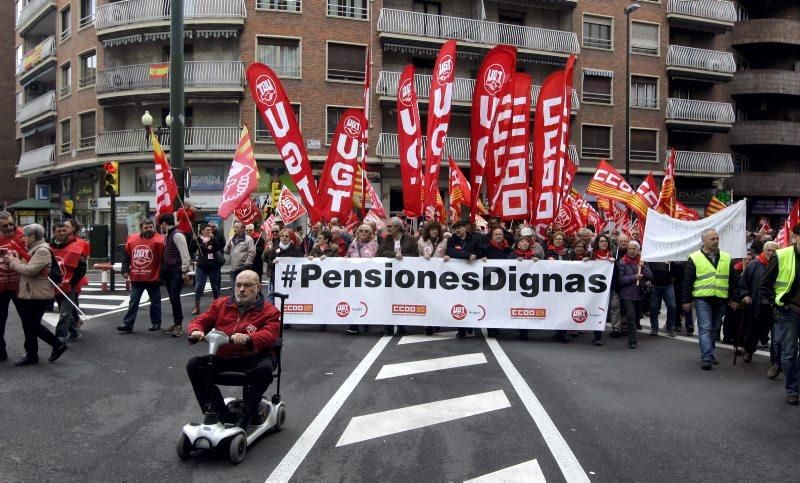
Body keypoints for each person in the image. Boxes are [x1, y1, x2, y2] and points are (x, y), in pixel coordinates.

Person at [186, 270, 281, 428]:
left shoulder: (269, 311)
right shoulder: (221, 304)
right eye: (238, 285)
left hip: (253, 356)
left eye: (247, 285)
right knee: (194, 365)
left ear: (258, 287)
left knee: (264, 368)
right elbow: (202, 320)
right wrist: (196, 330)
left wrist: (249, 338)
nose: (241, 289)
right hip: (224, 356)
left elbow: (270, 334)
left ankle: (248, 414)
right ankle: (218, 412)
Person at [3, 224, 66, 366]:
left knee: (32, 325)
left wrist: (12, 261)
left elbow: (30, 270)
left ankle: (57, 344)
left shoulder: (42, 250)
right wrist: (16, 257)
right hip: (32, 292)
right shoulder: (35, 248)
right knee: (29, 324)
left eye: (25, 235)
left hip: (38, 293)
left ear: (32, 236)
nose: (22, 238)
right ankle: (32, 355)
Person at [683, 228, 737, 370]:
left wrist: (734, 298)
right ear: (704, 240)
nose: (716, 241)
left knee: (714, 329)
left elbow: (733, 279)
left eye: (717, 238)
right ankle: (706, 357)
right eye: (712, 239)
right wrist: (686, 300)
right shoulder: (694, 257)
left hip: (720, 299)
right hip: (703, 298)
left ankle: (710, 352)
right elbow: (687, 281)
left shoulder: (726, 257)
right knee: (705, 328)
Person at [761, 225, 800, 405]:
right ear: (795, 237)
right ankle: (792, 389)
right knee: (789, 352)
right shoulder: (782, 255)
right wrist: (778, 303)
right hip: (789, 311)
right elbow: (765, 284)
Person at [119, 219, 165, 332]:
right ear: (141, 228)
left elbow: (164, 259)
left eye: (151, 227)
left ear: (154, 227)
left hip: (153, 277)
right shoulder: (132, 239)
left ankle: (156, 323)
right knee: (133, 301)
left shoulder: (160, 240)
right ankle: (127, 324)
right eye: (146, 227)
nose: (149, 229)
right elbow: (127, 256)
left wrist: (162, 275)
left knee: (155, 301)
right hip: (137, 277)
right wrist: (124, 269)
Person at [740, 241, 778, 366]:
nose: (771, 253)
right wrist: (745, 295)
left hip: (775, 305)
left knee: (776, 335)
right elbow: (743, 283)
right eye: (769, 250)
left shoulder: (780, 264)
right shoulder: (754, 265)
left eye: (774, 251)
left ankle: (776, 361)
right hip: (757, 304)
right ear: (763, 250)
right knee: (754, 330)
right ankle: (749, 350)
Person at [378, 217, 419, 335]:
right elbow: (381, 252)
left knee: (401, 300)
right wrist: (394, 255)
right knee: (389, 300)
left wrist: (403, 257)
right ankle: (388, 327)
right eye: (388, 226)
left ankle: (401, 324)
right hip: (390, 274)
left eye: (390, 226)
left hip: (405, 275)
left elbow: (415, 254)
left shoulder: (410, 239)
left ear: (398, 227)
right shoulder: (387, 239)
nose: (388, 228)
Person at [49, 222, 87, 343]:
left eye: (64, 230)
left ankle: (59, 339)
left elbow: (82, 268)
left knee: (65, 313)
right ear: (53, 232)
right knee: (64, 311)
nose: (61, 233)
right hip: (55, 284)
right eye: (59, 231)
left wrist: (71, 283)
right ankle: (74, 332)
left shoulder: (75, 247)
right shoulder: (48, 247)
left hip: (69, 285)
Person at [159, 214, 191, 338]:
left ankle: (178, 325)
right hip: (169, 272)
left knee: (174, 297)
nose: (160, 227)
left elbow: (185, 255)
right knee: (173, 298)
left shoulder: (177, 235)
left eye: (160, 224)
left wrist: (184, 272)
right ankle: (176, 323)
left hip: (176, 272)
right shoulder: (168, 235)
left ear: (164, 224)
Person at [0, 212, 26, 362]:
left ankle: (31, 352)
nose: (10, 227)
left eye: (11, 224)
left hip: (19, 284)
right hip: (1, 285)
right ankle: (1, 352)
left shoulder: (23, 234)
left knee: (26, 319)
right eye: (5, 226)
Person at [446, 221, 479, 338]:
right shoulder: (452, 240)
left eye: (459, 228)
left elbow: (480, 252)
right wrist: (467, 255)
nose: (457, 231)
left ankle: (470, 325)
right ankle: (461, 329)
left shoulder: (475, 239)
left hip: (472, 277)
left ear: (465, 228)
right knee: (458, 302)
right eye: (455, 229)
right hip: (456, 277)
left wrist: (474, 255)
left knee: (471, 301)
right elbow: (451, 251)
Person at [617, 241, 652, 349]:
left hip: (639, 294)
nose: (632, 251)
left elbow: (650, 275)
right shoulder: (622, 262)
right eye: (630, 249)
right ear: (627, 250)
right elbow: (620, 280)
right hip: (627, 295)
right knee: (631, 317)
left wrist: (644, 267)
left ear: (638, 250)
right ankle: (632, 340)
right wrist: (633, 277)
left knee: (636, 317)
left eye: (634, 249)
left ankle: (633, 332)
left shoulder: (642, 261)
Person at [344, 224, 378, 335]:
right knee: (355, 300)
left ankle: (366, 321)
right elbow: (347, 256)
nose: (363, 232)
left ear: (370, 234)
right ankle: (354, 325)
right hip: (355, 278)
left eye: (366, 231)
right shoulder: (353, 244)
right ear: (357, 233)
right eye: (361, 230)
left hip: (369, 278)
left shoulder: (374, 245)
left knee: (367, 300)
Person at [308, 230, 340, 332]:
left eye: (320, 238)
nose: (318, 240)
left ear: (326, 240)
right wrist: (309, 257)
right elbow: (309, 258)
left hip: (328, 279)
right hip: (316, 278)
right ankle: (318, 318)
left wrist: (328, 258)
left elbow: (337, 262)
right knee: (317, 298)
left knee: (327, 299)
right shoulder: (315, 248)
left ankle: (325, 320)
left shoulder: (334, 249)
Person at [192, 224, 224, 315]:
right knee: (198, 286)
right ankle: (197, 306)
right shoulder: (198, 239)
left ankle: (217, 306)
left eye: (210, 230)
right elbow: (192, 250)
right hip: (202, 265)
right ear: (202, 231)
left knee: (214, 286)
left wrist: (213, 239)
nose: (209, 231)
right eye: (207, 230)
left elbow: (218, 248)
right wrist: (193, 241)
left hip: (213, 265)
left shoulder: (213, 239)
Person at [648, 261, 678, 337]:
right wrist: (649, 278)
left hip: (668, 284)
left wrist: (673, 272)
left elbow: (678, 266)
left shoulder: (669, 256)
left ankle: (670, 327)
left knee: (672, 306)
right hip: (655, 284)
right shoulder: (653, 256)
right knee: (653, 307)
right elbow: (647, 267)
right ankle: (654, 327)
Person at [225, 221, 256, 289]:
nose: (234, 229)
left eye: (236, 227)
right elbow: (226, 252)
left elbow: (252, 252)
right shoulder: (231, 238)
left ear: (242, 229)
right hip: (233, 267)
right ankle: (235, 299)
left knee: (242, 288)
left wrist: (247, 264)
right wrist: (228, 246)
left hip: (242, 267)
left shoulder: (248, 239)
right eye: (234, 227)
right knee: (234, 288)